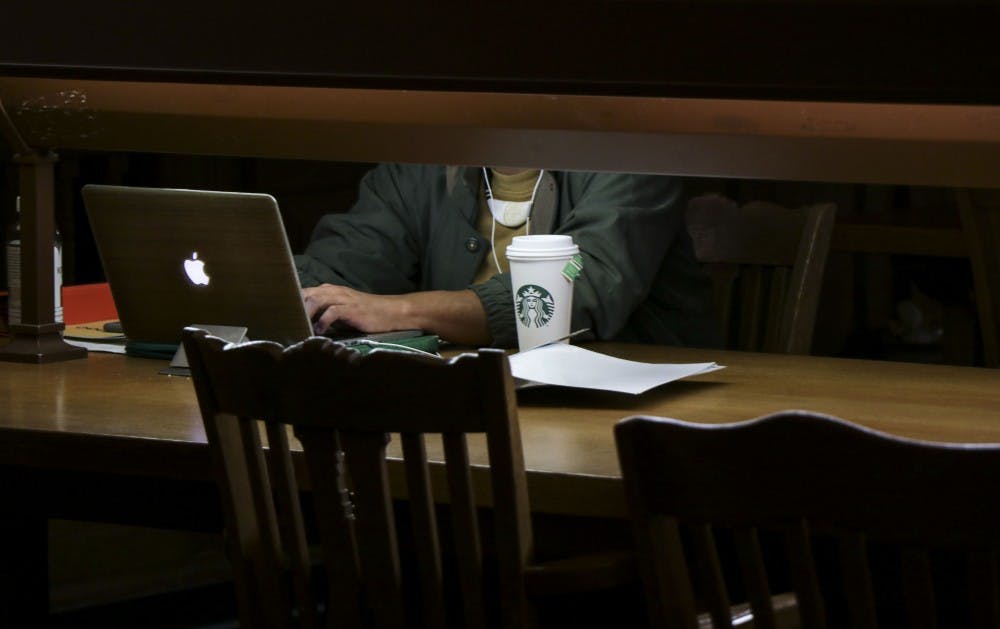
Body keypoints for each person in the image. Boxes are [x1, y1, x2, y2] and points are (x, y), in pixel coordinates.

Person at [295, 164, 718, 349]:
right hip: (471, 402)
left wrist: (400, 310)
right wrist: (300, 290)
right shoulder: (421, 163)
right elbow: (345, 262)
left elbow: (581, 285)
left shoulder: (628, 157)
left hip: (623, 412)